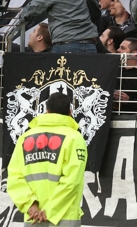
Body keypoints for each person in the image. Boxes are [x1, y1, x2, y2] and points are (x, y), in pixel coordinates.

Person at [7, 93, 87, 226]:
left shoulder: (25, 137)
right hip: (64, 218)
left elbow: (14, 176)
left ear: (47, 111)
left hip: (33, 216)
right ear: (70, 112)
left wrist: (31, 205)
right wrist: (49, 211)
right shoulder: (75, 138)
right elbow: (72, 181)